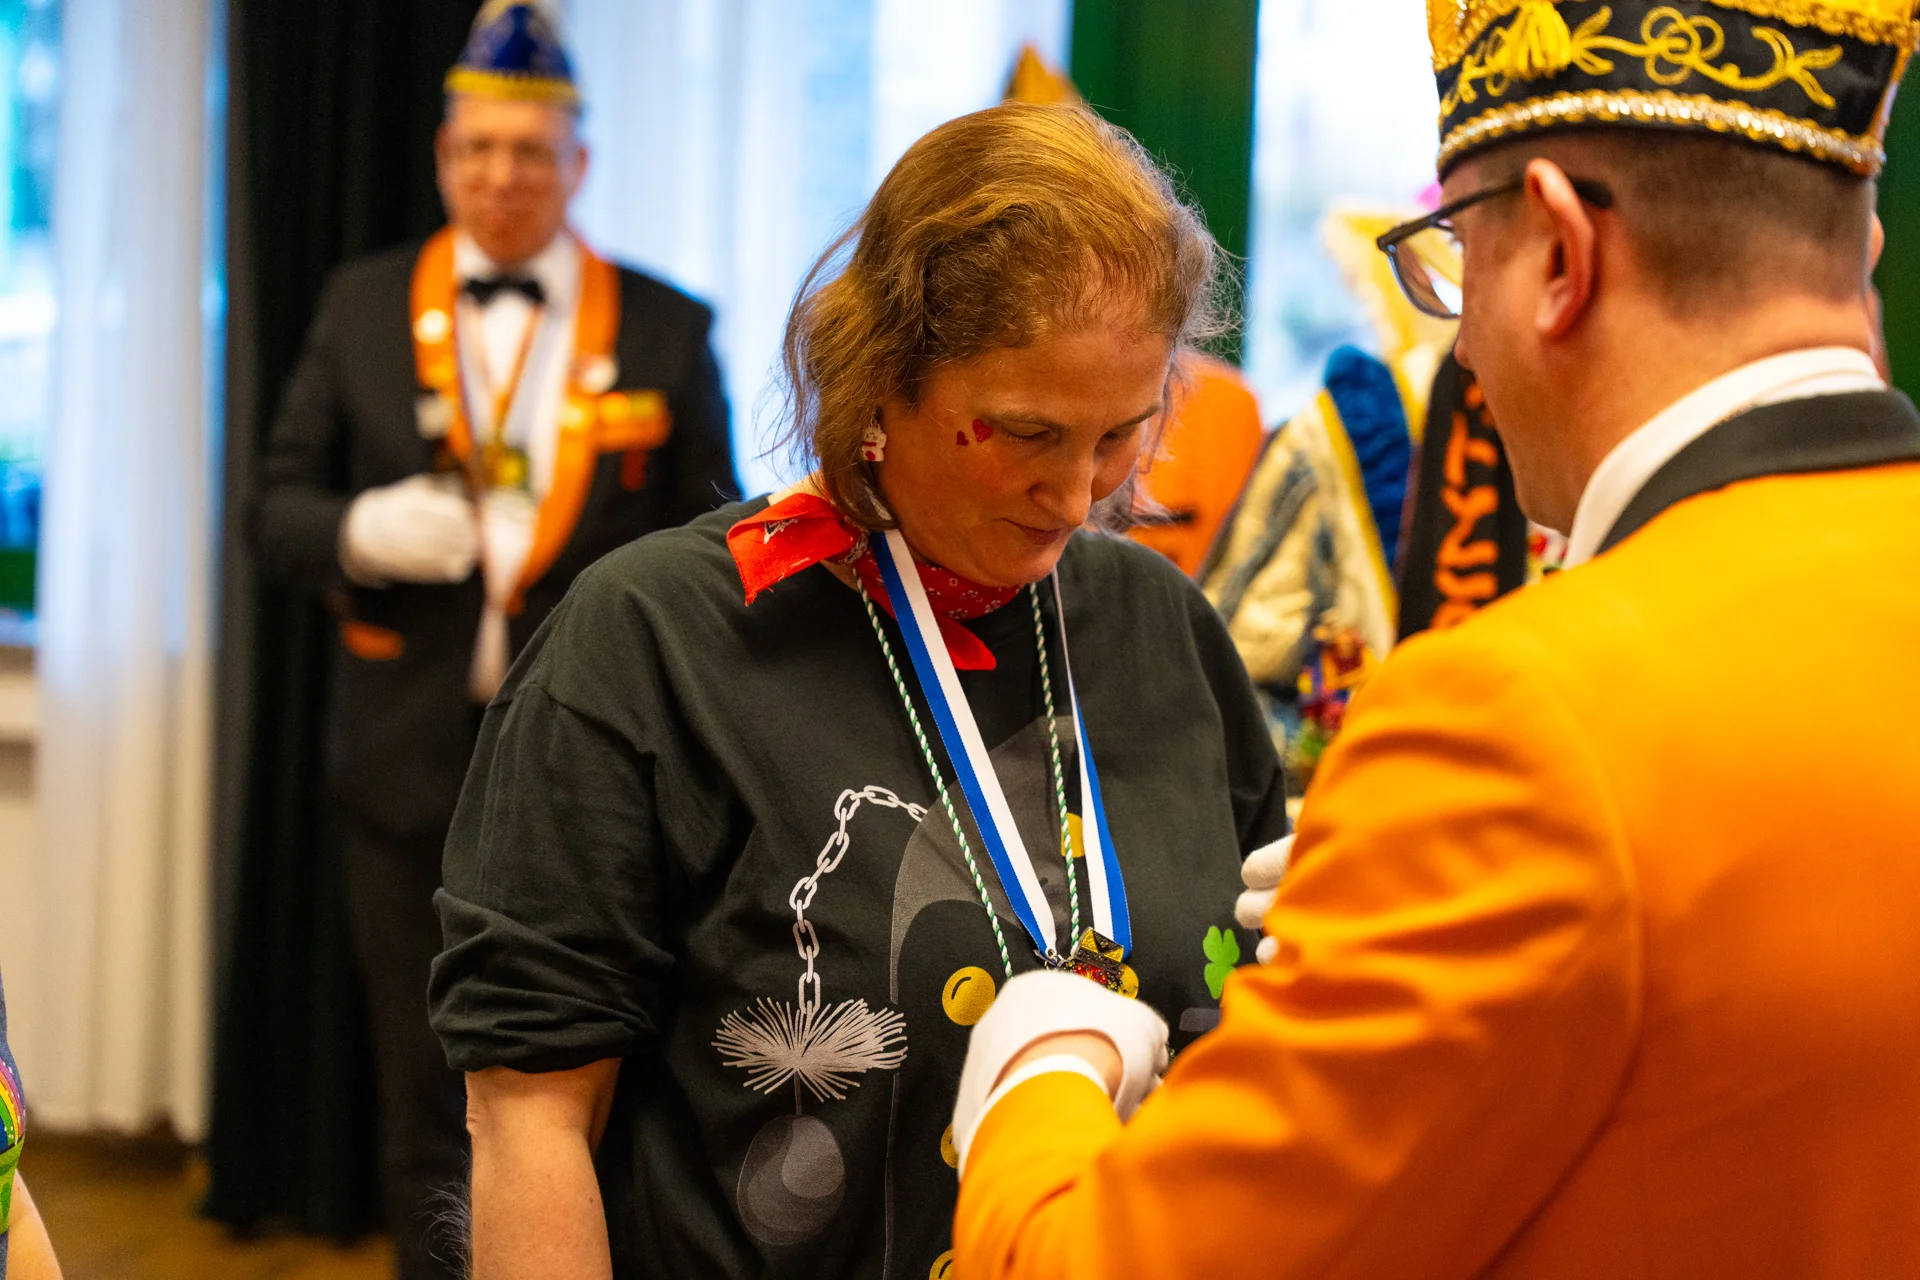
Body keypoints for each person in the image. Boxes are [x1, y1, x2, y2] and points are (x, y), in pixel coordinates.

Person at [949, 0, 1920, 1275]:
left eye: (1458, 258)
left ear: (1562, 254)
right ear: (1858, 248)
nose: (1461, 339)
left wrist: (1038, 1063)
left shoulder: (1518, 726)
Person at [427, 102, 1290, 1278]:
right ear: (880, 381)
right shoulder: (654, 643)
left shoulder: (1161, 626)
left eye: (1120, 435)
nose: (1078, 495)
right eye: (1028, 433)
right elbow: (530, 1117)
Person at [251, 3, 736, 1275]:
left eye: (530, 151)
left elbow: (719, 541)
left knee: (587, 1087)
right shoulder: (362, 304)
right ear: (440, 158)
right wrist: (361, 528)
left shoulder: (669, 327)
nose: (502, 176)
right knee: (424, 1093)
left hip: (599, 774)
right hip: (404, 760)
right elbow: (273, 509)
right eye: (477, 149)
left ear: (579, 163)